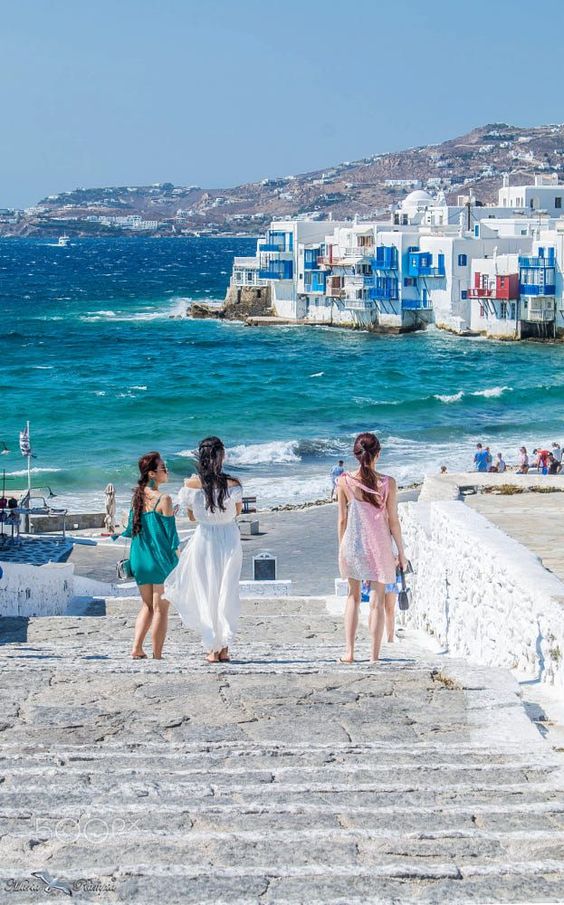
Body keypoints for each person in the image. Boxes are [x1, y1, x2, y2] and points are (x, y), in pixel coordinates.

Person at [164, 436, 243, 664]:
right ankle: (224, 647)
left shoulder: (190, 486)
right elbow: (236, 512)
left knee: (205, 591)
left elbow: (190, 517)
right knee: (226, 590)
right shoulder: (233, 485)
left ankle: (212, 647)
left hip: (205, 537)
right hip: (228, 537)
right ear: (222, 456)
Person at [337, 432, 407, 663]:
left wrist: (341, 549)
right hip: (379, 547)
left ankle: (348, 652)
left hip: (353, 545)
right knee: (376, 602)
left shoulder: (344, 480)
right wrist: (402, 552)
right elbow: (393, 521)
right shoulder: (388, 483)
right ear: (378, 453)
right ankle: (374, 657)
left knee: (352, 597)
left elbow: (342, 520)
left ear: (356, 455)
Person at [113, 452, 179, 660]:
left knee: (147, 606)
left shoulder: (138, 497)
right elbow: (172, 538)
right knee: (161, 609)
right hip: (160, 561)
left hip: (139, 559)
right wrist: (180, 560)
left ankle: (136, 648)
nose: (166, 471)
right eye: (163, 468)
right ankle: (157, 655)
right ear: (152, 473)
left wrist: (114, 535)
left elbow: (130, 529)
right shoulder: (165, 499)